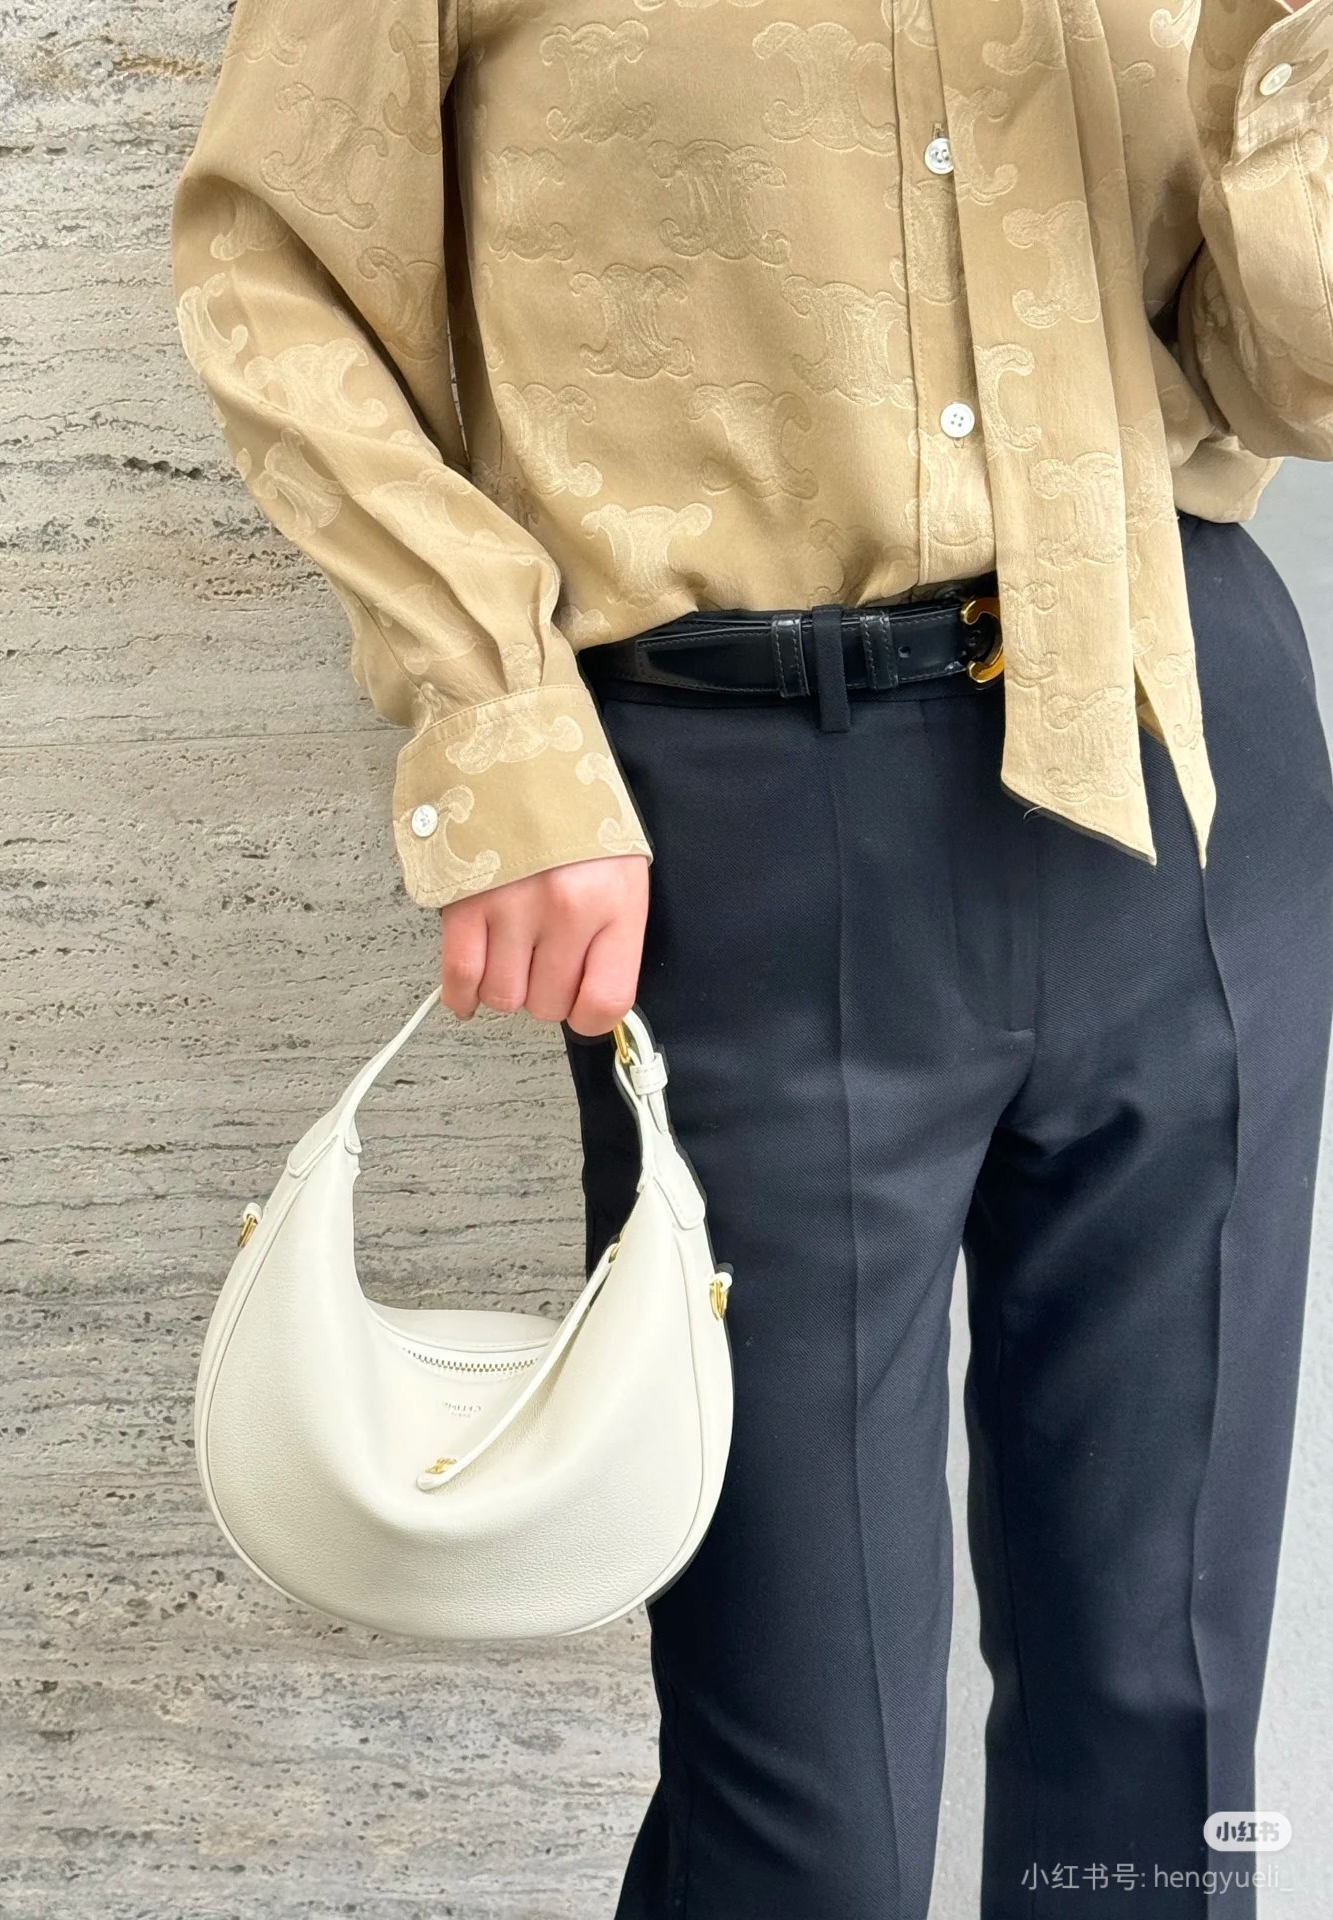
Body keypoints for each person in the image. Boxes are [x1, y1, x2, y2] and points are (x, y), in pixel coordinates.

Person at [169, 0, 1333, 1912]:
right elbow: (271, 264)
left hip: (1184, 763)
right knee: (805, 1815)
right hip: (752, 827)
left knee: (1163, 1737)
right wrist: (499, 721)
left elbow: (1284, 372)